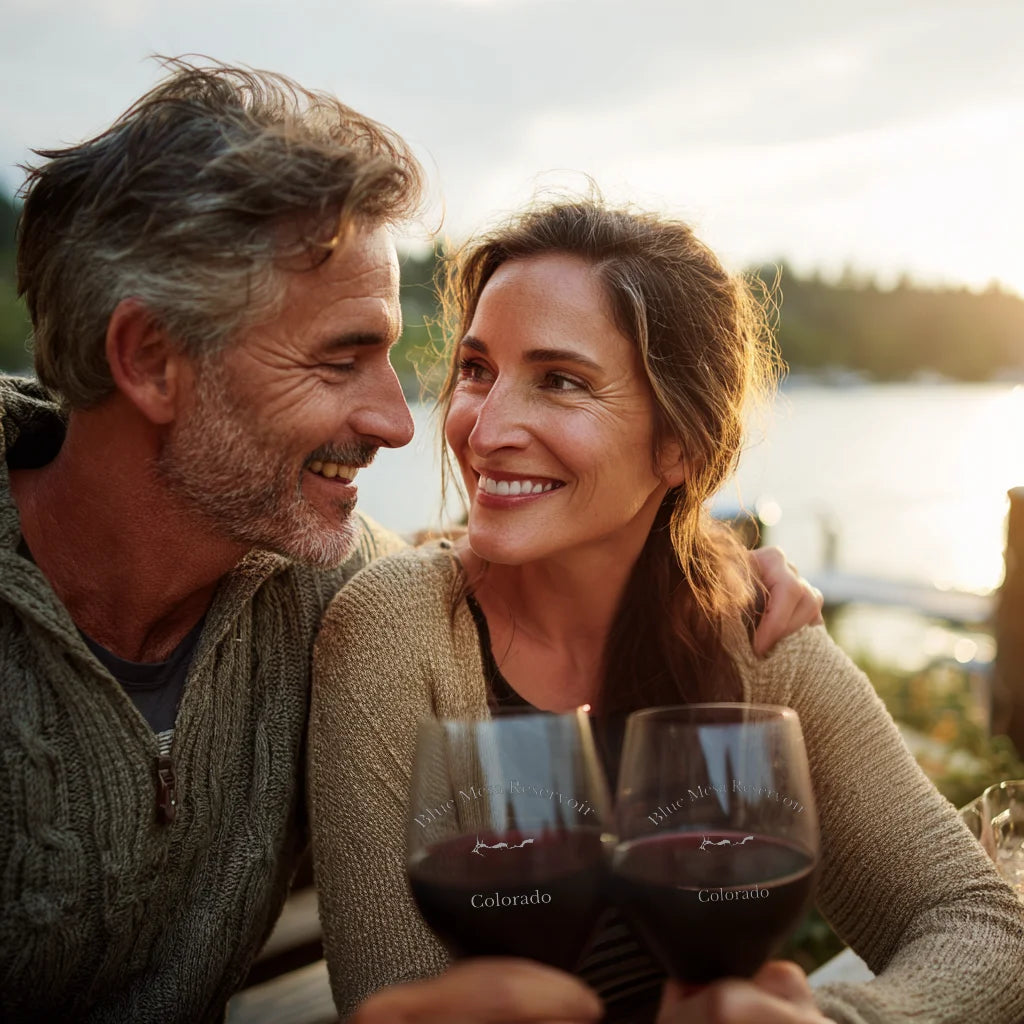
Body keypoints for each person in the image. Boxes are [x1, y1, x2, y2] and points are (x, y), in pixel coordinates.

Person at [0, 59, 819, 1021]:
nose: (400, 422)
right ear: (150, 360)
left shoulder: (321, 582)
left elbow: (455, 568)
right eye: (341, 358)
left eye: (396, 356)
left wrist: (692, 555)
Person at [310, 199, 1024, 1023]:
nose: (485, 427)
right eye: (477, 370)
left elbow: (980, 922)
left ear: (679, 445)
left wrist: (834, 1022)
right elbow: (399, 1007)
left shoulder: (751, 630)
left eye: (561, 381)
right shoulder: (396, 632)